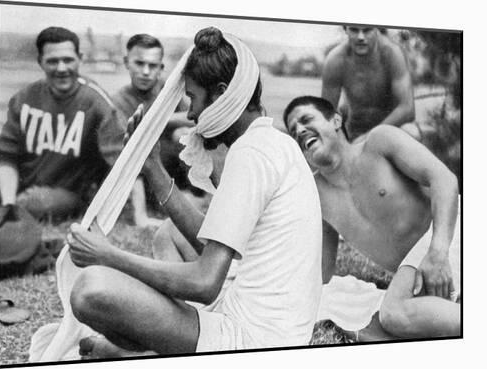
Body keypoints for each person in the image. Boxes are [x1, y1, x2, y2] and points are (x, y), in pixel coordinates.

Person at [66, 27, 323, 358]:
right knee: (169, 233)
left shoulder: (252, 154)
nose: (190, 114)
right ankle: (161, 343)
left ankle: (151, 350)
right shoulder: (270, 141)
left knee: (90, 289)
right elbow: (210, 240)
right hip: (271, 322)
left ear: (219, 94)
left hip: (258, 341)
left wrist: (108, 255)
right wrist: (153, 168)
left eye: (193, 99)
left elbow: (204, 283)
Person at [283, 95, 461, 340]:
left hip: (450, 230)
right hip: (418, 272)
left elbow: (445, 180)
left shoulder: (380, 141)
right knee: (401, 319)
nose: (300, 130)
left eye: (306, 119)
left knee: (393, 313)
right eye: (293, 131)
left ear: (336, 120)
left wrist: (439, 251)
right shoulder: (316, 195)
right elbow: (321, 273)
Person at [0, 26, 125, 220]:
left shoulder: (96, 102)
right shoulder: (24, 98)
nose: (61, 68)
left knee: (35, 203)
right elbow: (6, 156)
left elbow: (120, 161)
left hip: (68, 194)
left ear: (80, 59)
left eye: (68, 60)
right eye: (52, 61)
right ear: (40, 62)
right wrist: (8, 202)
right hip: (20, 183)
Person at [112, 34, 198, 227]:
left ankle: (201, 191)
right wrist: (140, 216)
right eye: (139, 63)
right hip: (149, 176)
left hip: (177, 170)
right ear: (127, 62)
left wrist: (161, 119)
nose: (145, 71)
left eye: (152, 65)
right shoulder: (118, 102)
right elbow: (128, 159)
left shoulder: (167, 90)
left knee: (182, 134)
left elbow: (196, 118)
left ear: (161, 67)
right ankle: (154, 209)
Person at [321, 26, 420, 141]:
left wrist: (368, 138)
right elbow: (326, 113)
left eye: (367, 30)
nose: (361, 37)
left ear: (377, 30)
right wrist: (339, 137)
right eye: (354, 30)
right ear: (346, 30)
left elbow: (407, 109)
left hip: (390, 131)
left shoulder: (391, 53)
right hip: (355, 131)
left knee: (411, 132)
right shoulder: (336, 59)